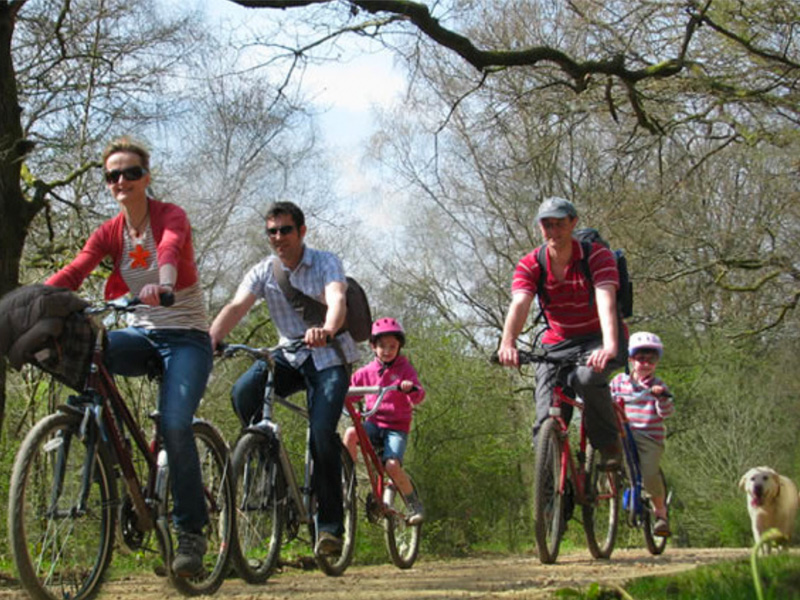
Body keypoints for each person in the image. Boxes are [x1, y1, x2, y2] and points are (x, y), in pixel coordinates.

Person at [45, 137, 213, 577]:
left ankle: (191, 533)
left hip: (187, 338)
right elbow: (78, 268)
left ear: (146, 177)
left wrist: (165, 282)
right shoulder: (108, 232)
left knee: (176, 425)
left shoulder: (168, 215)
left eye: (131, 173)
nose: (121, 181)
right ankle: (104, 445)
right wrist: (35, 297)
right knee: (86, 352)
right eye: (113, 175)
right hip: (141, 335)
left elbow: (172, 247)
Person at [208, 201, 359, 557]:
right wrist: (210, 340)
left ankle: (330, 528)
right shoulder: (263, 272)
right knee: (243, 393)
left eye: (285, 230)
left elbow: (337, 299)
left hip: (328, 357)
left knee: (321, 434)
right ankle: (268, 466)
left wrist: (327, 328)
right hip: (289, 355)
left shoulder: (325, 262)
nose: (278, 237)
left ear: (301, 231)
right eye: (272, 231)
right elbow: (236, 307)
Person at [496, 196, 628, 467]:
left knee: (587, 378)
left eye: (560, 224)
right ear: (539, 227)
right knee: (546, 410)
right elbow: (520, 303)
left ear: (573, 223)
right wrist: (507, 343)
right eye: (547, 225)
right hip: (558, 342)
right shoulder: (531, 263)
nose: (554, 232)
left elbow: (606, 300)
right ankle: (552, 487)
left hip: (598, 338)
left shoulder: (597, 257)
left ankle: (607, 444)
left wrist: (609, 346)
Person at [343, 317, 426, 524]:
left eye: (392, 346)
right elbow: (349, 395)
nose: (387, 350)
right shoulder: (365, 372)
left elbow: (418, 395)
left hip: (396, 428)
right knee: (350, 433)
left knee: (391, 466)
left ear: (399, 347)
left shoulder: (405, 369)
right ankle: (347, 477)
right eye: (382, 346)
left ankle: (413, 503)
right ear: (373, 346)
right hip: (373, 423)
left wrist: (410, 388)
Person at [611, 331, 674, 536]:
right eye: (641, 358)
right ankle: (613, 489)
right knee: (609, 457)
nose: (646, 363)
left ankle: (660, 514)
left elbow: (666, 413)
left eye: (652, 359)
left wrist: (661, 398)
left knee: (649, 475)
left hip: (649, 437)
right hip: (624, 435)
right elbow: (606, 402)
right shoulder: (619, 382)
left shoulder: (658, 385)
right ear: (631, 360)